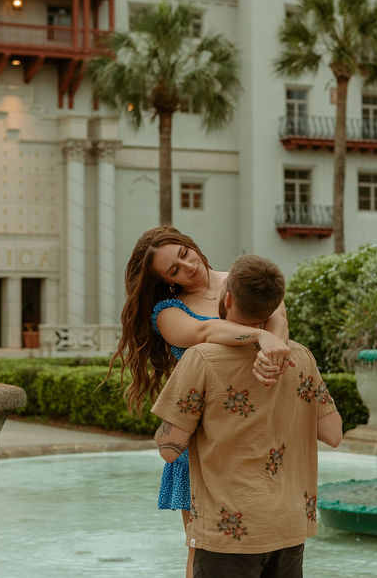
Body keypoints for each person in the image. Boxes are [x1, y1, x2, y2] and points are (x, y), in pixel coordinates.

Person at [111, 227, 293, 577]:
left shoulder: (244, 279)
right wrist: (260, 335)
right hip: (204, 444)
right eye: (174, 269)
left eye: (183, 253)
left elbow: (279, 319)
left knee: (270, 542)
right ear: (165, 281)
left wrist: (272, 355)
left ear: (190, 243)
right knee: (204, 549)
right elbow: (205, 333)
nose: (188, 265)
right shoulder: (168, 311)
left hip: (257, 433)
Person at [151, 255, 343, 577]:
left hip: (230, 531)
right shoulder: (301, 357)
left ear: (227, 299)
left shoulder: (200, 359)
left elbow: (169, 449)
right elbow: (333, 433)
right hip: (289, 523)